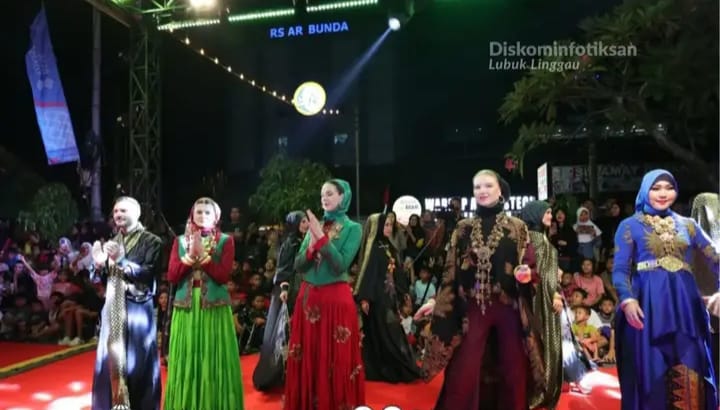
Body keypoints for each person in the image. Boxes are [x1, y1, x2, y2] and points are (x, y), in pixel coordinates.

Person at [415, 169, 544, 410]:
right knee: (463, 371)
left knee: (513, 370)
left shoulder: (518, 227)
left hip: (509, 309)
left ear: (500, 190)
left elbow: (530, 266)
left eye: (488, 186)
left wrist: (527, 275)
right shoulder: (463, 228)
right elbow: (450, 271)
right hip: (472, 309)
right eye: (477, 187)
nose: (482, 191)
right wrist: (435, 302)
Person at [613, 169, 719, 410]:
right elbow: (620, 269)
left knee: (691, 365)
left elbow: (716, 259)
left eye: (669, 188)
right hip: (649, 307)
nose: (663, 193)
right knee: (651, 371)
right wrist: (627, 300)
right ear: (645, 190)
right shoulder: (629, 226)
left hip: (686, 306)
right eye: (656, 188)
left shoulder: (689, 225)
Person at [283, 179, 364, 410]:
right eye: (322, 195)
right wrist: (311, 247)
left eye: (329, 194)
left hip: (335, 302)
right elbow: (299, 264)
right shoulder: (316, 225)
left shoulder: (353, 228)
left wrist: (321, 239)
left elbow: (340, 265)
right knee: (309, 355)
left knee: (335, 358)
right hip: (308, 299)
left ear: (342, 196)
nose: (324, 198)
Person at [164, 197, 243, 410]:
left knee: (214, 357)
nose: (202, 215)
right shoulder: (180, 241)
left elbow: (223, 276)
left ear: (216, 217)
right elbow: (172, 276)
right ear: (192, 214)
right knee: (187, 357)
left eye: (208, 212)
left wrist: (205, 258)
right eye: (198, 211)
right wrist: (190, 257)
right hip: (186, 307)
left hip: (214, 307)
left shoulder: (225, 241)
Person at [90, 197, 163, 410]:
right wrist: (98, 265)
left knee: (138, 360)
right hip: (113, 304)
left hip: (137, 307)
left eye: (123, 210)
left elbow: (149, 274)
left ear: (136, 213)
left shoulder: (152, 241)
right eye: (115, 212)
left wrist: (122, 261)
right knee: (109, 359)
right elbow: (102, 279)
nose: (118, 215)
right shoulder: (113, 241)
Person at [354, 213, 423, 383]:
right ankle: (388, 370)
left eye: (390, 225)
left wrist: (403, 292)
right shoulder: (373, 249)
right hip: (377, 299)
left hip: (389, 297)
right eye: (385, 225)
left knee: (391, 332)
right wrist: (365, 298)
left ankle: (398, 368)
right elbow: (368, 274)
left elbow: (397, 272)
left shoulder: (388, 246)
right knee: (385, 334)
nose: (389, 228)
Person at [253, 210, 308, 391]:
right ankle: (279, 373)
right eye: (302, 222)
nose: (306, 225)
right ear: (294, 224)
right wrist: (285, 289)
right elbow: (283, 269)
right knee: (283, 331)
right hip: (287, 291)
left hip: (301, 290)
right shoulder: (290, 243)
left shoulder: (303, 241)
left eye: (307, 222)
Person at [520, 200, 564, 409]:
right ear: (535, 215)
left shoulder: (535, 238)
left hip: (541, 298)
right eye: (546, 212)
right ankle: (542, 391)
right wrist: (555, 294)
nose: (550, 217)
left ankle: (539, 391)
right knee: (544, 344)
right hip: (542, 301)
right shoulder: (536, 240)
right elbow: (541, 274)